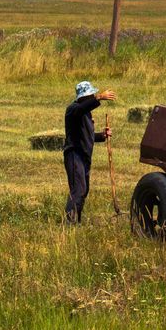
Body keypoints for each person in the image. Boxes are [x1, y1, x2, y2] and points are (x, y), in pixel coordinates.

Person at [62, 80, 111, 225]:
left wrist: (102, 135)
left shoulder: (86, 114)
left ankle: (77, 220)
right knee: (78, 189)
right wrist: (99, 97)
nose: (92, 96)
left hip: (84, 156)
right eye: (91, 95)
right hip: (74, 154)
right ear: (84, 97)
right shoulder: (73, 109)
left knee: (84, 190)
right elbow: (80, 109)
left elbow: (87, 136)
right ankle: (70, 223)